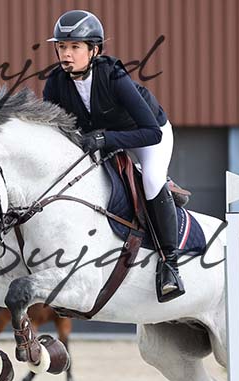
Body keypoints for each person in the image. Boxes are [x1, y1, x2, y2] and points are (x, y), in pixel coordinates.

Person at [43, 9, 184, 303]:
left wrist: (106, 139)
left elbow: (152, 133)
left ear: (94, 50)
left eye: (74, 47)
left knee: (151, 180)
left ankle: (170, 264)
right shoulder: (55, 83)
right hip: (104, 139)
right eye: (62, 46)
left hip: (146, 135)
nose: (66, 54)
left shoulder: (113, 75)